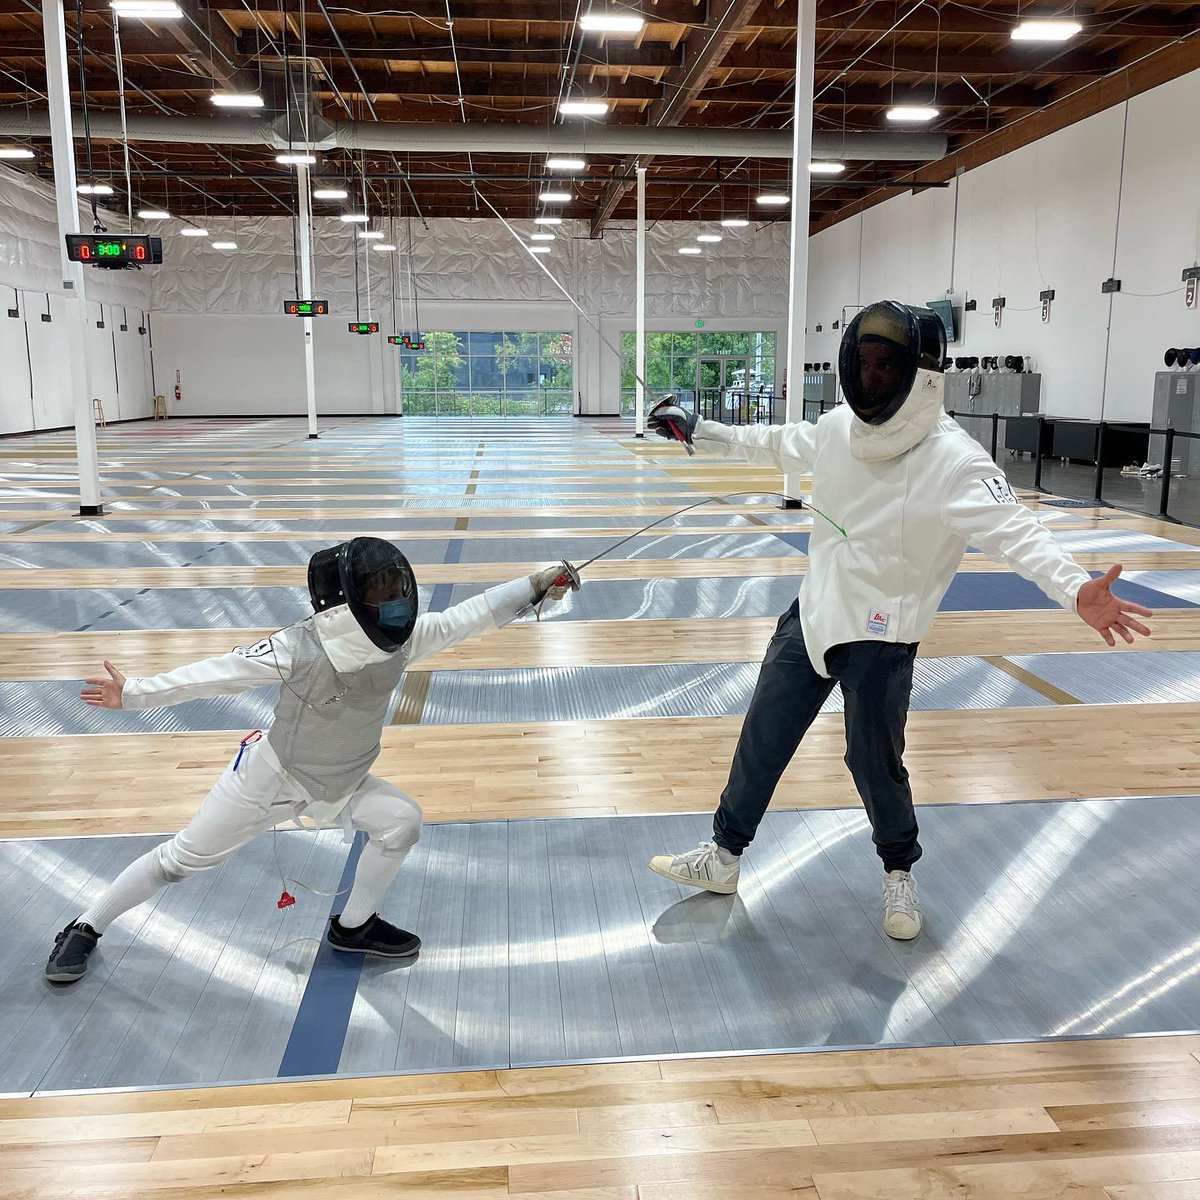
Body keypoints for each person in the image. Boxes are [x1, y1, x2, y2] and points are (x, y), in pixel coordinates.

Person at [646, 301, 1152, 939]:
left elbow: (1017, 533)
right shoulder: (836, 430)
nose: (874, 376)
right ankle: (723, 857)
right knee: (764, 736)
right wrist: (703, 427)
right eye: (865, 361)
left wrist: (1075, 588)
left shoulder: (955, 460)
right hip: (813, 615)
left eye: (888, 364)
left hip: (883, 639)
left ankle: (898, 875)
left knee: (872, 761)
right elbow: (774, 441)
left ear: (922, 373)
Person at [45, 538, 579, 983]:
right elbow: (217, 672)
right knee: (178, 862)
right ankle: (84, 927)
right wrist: (134, 693)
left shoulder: (403, 640)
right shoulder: (297, 647)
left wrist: (536, 584)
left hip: (343, 783)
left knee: (401, 822)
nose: (395, 599)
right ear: (348, 601)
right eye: (382, 591)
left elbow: (472, 615)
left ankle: (353, 928)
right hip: (268, 779)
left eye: (397, 588)